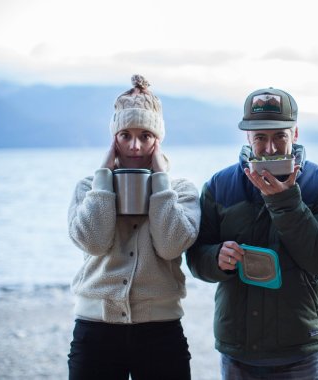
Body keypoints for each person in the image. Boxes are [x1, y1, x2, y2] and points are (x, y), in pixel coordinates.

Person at [186, 87, 318, 379]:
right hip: (238, 345)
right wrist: (216, 258)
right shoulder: (219, 185)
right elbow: (196, 258)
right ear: (248, 137)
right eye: (260, 138)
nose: (270, 149)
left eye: (279, 137)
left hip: (299, 346)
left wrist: (285, 201)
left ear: (294, 134)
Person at [67, 75, 201, 380]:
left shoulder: (180, 190)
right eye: (125, 135)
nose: (135, 146)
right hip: (95, 330)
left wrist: (160, 182)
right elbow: (93, 243)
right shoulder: (89, 187)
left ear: (158, 139)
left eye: (145, 135)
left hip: (160, 333)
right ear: (113, 139)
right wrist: (104, 180)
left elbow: (170, 245)